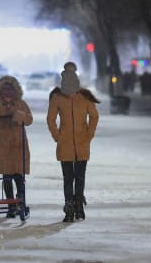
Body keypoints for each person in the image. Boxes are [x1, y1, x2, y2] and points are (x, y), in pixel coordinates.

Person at [47, 62, 100, 222]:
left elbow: (94, 116)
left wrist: (89, 134)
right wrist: (58, 136)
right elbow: (50, 119)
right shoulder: (57, 98)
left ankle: (78, 205)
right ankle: (69, 207)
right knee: (68, 178)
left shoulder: (84, 97)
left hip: (82, 144)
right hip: (65, 145)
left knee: (80, 177)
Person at [0, 75, 33, 218]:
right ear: (0, 93)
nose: (8, 96)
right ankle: (11, 205)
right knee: (7, 177)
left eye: (10, 93)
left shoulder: (21, 104)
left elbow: (29, 119)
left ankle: (20, 200)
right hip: (2, 146)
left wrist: (21, 116)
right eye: (5, 93)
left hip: (18, 146)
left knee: (18, 175)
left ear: (15, 93)